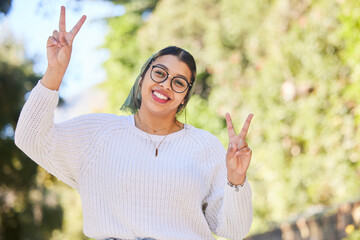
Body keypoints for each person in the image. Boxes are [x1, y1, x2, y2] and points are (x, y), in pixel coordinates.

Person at [14, 6, 254, 240]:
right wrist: (55, 71)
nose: (166, 85)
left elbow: (234, 230)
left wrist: (236, 179)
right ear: (141, 79)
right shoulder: (98, 135)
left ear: (184, 99)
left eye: (179, 82)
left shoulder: (205, 147)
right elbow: (30, 138)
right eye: (159, 73)